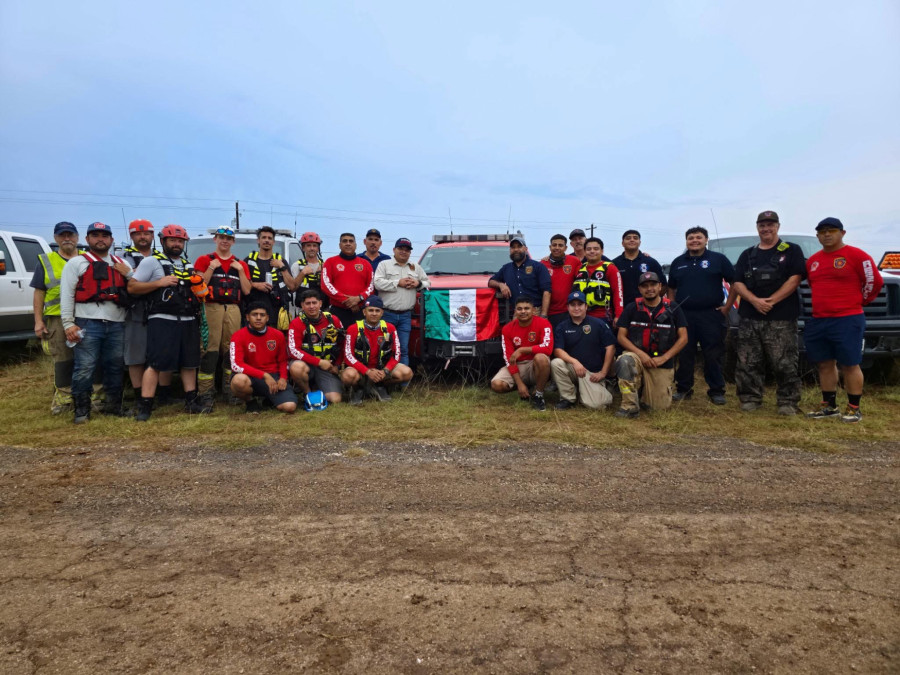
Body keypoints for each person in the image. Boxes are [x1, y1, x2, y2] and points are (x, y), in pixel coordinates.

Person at [804, 217, 883, 423]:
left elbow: (874, 281)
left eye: (831, 230)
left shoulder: (857, 255)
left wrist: (860, 301)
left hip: (848, 319)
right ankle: (829, 406)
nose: (827, 235)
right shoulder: (813, 261)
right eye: (822, 232)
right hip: (820, 319)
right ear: (817, 236)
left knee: (850, 363)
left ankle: (854, 407)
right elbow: (814, 286)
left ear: (842, 233)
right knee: (824, 364)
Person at [127, 224, 210, 420]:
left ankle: (191, 401)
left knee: (189, 362)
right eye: (172, 240)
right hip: (162, 319)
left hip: (189, 319)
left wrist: (201, 289)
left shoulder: (188, 265)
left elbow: (199, 293)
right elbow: (132, 287)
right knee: (155, 362)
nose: (176, 244)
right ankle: (146, 406)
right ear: (163, 241)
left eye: (180, 241)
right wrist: (159, 283)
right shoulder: (151, 262)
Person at [729, 211, 806, 415]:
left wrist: (772, 301)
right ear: (757, 228)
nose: (766, 229)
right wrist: (754, 301)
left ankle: (787, 401)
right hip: (750, 316)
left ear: (778, 226)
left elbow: (796, 278)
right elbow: (737, 282)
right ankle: (750, 398)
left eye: (770, 225)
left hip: (781, 317)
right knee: (747, 361)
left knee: (784, 361)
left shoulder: (791, 250)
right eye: (762, 225)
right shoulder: (747, 254)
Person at [59, 222, 133, 423]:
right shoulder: (76, 264)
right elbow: (66, 296)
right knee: (84, 367)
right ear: (87, 239)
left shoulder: (121, 264)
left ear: (111, 240)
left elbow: (135, 287)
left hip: (117, 323)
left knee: (115, 366)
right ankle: (82, 411)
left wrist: (128, 274)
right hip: (87, 323)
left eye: (104, 235)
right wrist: (68, 324)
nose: (100, 239)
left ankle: (113, 406)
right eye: (95, 235)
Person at [667, 226, 735, 405]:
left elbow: (734, 283)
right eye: (690, 238)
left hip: (711, 314)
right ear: (686, 241)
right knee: (685, 353)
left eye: (698, 237)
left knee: (713, 353)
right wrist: (674, 308)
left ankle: (716, 390)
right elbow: (671, 288)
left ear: (706, 240)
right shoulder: (678, 262)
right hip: (685, 315)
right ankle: (683, 389)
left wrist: (727, 307)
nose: (694, 240)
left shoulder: (718, 259)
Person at [614, 272, 689, 417]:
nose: (649, 289)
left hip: (660, 362)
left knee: (658, 408)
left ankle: (643, 390)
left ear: (660, 286)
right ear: (639, 289)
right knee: (624, 361)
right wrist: (641, 355)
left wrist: (664, 358)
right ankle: (629, 405)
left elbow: (683, 338)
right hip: (637, 358)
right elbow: (621, 337)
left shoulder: (673, 308)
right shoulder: (631, 308)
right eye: (645, 286)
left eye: (653, 285)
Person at [193, 226, 252, 404]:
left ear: (233, 242)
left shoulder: (240, 264)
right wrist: (211, 268)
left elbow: (247, 290)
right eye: (221, 237)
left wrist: (241, 271)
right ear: (215, 239)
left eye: (228, 238)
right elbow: (198, 289)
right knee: (209, 351)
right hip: (211, 307)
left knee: (231, 351)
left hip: (233, 309)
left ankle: (230, 389)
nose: (224, 241)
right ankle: (205, 393)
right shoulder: (204, 260)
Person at [31, 221, 80, 414]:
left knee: (89, 358)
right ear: (55, 238)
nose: (66, 238)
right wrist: (38, 321)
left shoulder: (88, 258)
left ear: (77, 237)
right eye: (62, 235)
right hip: (57, 318)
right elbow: (39, 293)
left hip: (84, 316)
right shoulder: (46, 260)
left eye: (70, 234)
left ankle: (89, 396)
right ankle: (64, 400)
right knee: (63, 360)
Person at [121, 219, 172, 404]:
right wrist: (130, 273)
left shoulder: (161, 256)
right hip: (136, 311)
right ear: (131, 236)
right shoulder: (123, 257)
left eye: (146, 233)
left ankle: (163, 395)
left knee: (162, 352)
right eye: (137, 233)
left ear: (153, 235)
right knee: (136, 355)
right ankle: (139, 396)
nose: (142, 237)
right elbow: (129, 285)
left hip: (160, 310)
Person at [550, 291, 616, 410]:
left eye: (580, 304)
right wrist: (575, 362)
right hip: (575, 370)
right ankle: (568, 398)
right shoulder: (562, 326)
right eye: (572, 305)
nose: (576, 308)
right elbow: (558, 350)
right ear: (568, 307)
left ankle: (595, 389)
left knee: (597, 405)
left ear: (586, 306)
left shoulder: (598, 324)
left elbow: (610, 347)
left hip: (592, 374)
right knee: (556, 363)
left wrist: (603, 372)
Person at [341, 296, 413, 404]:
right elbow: (348, 356)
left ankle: (380, 386)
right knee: (348, 376)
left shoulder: (390, 328)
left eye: (377, 311)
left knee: (407, 373)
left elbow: (397, 354)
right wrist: (367, 371)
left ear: (382, 313)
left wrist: (385, 371)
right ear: (364, 312)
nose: (374, 313)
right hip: (361, 370)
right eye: (370, 310)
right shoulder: (353, 328)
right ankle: (358, 389)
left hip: (382, 369)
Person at [230, 301, 298, 413]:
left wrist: (283, 378)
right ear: (247, 317)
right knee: (238, 381)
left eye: (262, 315)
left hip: (274, 377)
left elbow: (283, 360)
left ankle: (269, 399)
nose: (258, 318)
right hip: (250, 377)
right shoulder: (238, 336)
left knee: (289, 407)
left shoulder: (278, 335)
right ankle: (250, 402)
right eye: (254, 314)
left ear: (267, 318)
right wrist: (264, 375)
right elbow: (236, 365)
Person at [489, 296, 554, 411]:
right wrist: (519, 384)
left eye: (527, 308)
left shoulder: (544, 323)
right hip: (518, 365)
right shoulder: (507, 329)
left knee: (541, 358)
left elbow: (548, 348)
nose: (523, 311)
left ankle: (538, 395)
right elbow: (509, 357)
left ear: (533, 310)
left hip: (535, 364)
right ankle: (525, 389)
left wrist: (522, 350)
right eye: (519, 309)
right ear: (515, 311)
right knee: (496, 384)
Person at [373, 237, 431, 365]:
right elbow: (377, 283)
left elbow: (428, 282)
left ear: (410, 252)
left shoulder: (415, 267)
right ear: (394, 250)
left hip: (405, 316)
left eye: (407, 250)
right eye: (400, 249)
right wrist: (397, 283)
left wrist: (418, 283)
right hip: (387, 315)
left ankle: (403, 382)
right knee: (385, 347)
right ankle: (384, 379)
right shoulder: (384, 265)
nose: (404, 252)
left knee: (403, 349)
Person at [288, 289, 345, 405]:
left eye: (314, 303)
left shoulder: (334, 320)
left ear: (320, 303)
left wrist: (337, 366)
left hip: (327, 366)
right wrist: (319, 362)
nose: (311, 306)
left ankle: (318, 386)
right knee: (296, 368)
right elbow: (293, 351)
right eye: (307, 303)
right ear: (302, 306)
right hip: (307, 365)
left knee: (335, 400)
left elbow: (343, 344)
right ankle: (307, 393)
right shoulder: (296, 323)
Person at [488, 236, 552, 318]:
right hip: (517, 312)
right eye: (513, 247)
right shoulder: (506, 268)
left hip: (535, 312)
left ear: (525, 249)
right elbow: (491, 281)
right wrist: (501, 285)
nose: (516, 250)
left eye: (519, 246)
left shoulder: (538, 267)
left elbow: (547, 291)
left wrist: (543, 315)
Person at [244, 225, 295, 326]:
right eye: (263, 237)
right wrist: (255, 285)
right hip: (254, 313)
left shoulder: (281, 261)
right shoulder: (249, 261)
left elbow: (292, 287)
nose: (266, 240)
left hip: (276, 313)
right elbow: (242, 285)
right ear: (258, 240)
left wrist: (282, 267)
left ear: (273, 242)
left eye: (269, 238)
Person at [322, 232, 374, 329]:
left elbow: (371, 286)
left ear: (355, 245)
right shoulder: (330, 262)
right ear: (340, 245)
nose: (348, 243)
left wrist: (359, 298)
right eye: (344, 241)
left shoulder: (365, 264)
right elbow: (326, 285)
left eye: (351, 241)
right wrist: (347, 301)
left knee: (359, 342)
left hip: (359, 311)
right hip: (337, 311)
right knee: (337, 340)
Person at [572, 237, 624, 327]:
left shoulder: (610, 268)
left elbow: (618, 293)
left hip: (603, 316)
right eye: (588, 249)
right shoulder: (579, 269)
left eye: (596, 249)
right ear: (584, 252)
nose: (592, 251)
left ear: (602, 251)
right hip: (580, 316)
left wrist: (619, 315)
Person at [612, 229, 668, 307]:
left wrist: (652, 300)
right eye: (628, 238)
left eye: (635, 238)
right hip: (622, 309)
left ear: (640, 242)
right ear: (622, 243)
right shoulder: (614, 263)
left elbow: (663, 286)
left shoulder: (651, 262)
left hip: (647, 309)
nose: (632, 240)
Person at [542, 234, 582, 328]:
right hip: (549, 312)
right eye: (554, 245)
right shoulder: (542, 264)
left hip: (568, 311)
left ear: (566, 248)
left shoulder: (574, 261)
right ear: (550, 247)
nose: (557, 248)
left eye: (560, 245)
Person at [289, 231, 326, 309]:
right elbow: (292, 288)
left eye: (314, 246)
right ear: (303, 248)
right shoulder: (297, 266)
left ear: (318, 248)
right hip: (302, 310)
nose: (312, 248)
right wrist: (302, 274)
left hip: (323, 310)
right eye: (308, 245)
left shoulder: (325, 266)